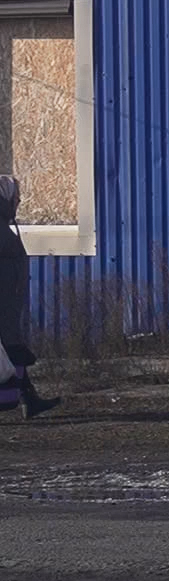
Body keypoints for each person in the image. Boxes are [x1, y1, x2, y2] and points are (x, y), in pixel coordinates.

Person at [0, 176, 49, 420]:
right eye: (15, 197)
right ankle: (23, 399)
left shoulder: (5, 227)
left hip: (9, 301)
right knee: (11, 348)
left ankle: (29, 399)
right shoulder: (2, 231)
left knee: (11, 349)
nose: (18, 202)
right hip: (5, 302)